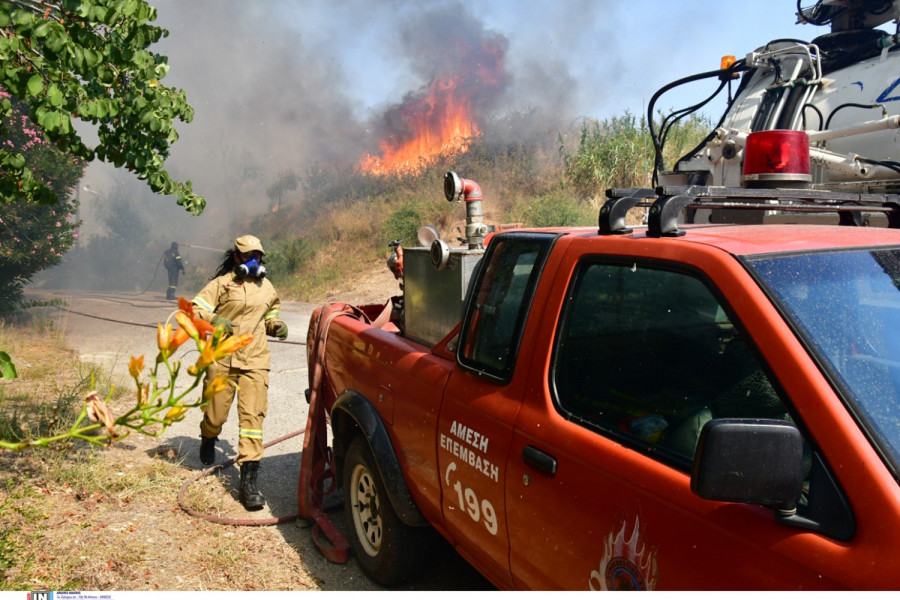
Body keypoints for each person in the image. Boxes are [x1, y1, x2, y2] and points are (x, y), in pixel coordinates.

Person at [190, 235, 289, 510]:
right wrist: (214, 319)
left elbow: (271, 314)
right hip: (222, 359)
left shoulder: (266, 287)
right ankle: (208, 436)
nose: (253, 260)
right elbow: (195, 310)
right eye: (247, 255)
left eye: (257, 255)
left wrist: (276, 325)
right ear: (237, 258)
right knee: (215, 414)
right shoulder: (221, 284)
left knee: (252, 421)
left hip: (255, 360)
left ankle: (248, 485)